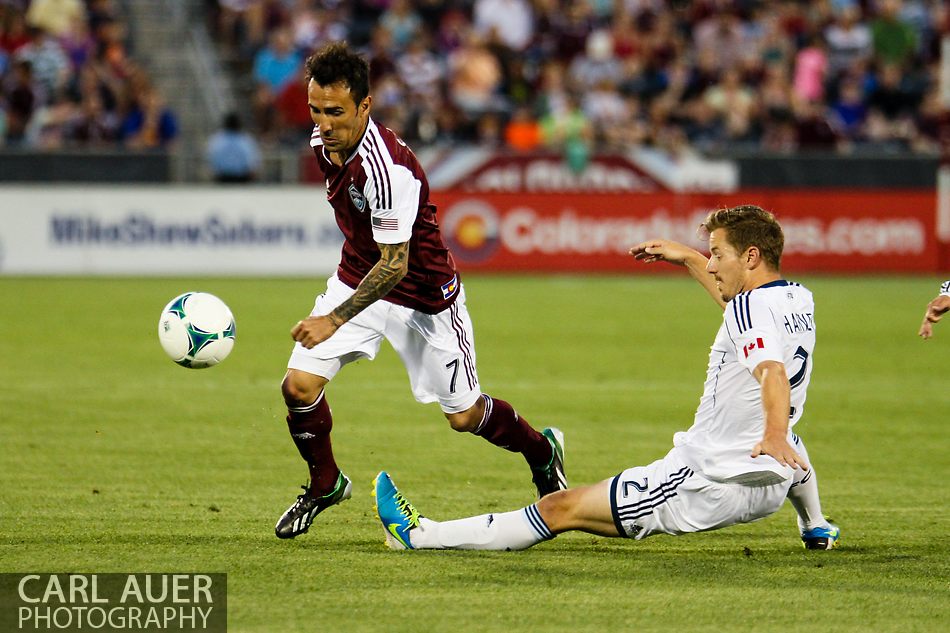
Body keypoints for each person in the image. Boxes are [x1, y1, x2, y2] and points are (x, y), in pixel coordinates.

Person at [375, 205, 841, 552]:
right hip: (773, 483)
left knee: (561, 508)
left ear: (752, 256)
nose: (712, 263)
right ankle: (815, 524)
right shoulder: (798, 298)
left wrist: (775, 433)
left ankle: (418, 535)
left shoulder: (746, 308)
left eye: (717, 254)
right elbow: (748, 320)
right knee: (796, 444)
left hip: (706, 482)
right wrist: (686, 258)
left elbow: (771, 370)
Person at [274, 42, 566, 539]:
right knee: (298, 386)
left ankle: (542, 451)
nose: (324, 123)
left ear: (365, 106)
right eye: (316, 110)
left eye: (336, 112)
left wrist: (333, 320)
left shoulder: (388, 170)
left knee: (465, 416)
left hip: (426, 299)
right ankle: (325, 483)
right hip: (357, 278)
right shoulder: (323, 142)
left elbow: (396, 265)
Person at [205, 112, 261, 183]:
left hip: (222, 178)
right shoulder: (246, 139)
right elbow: (253, 162)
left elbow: (210, 159)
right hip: (241, 179)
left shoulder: (217, 139)